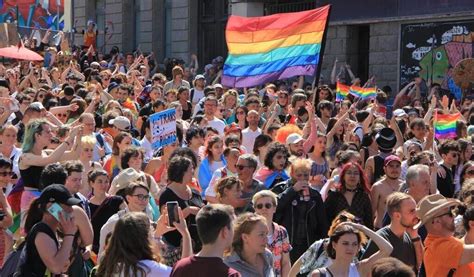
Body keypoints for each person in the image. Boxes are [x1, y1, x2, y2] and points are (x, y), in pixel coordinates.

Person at [97, 211, 190, 276]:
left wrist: (157, 235)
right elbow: (184, 273)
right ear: (143, 237)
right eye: (151, 231)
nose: (152, 233)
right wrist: (186, 234)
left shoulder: (109, 264)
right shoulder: (149, 268)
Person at [15, 184, 81, 275]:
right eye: (67, 205)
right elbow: (56, 267)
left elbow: (60, 268)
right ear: (51, 207)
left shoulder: (53, 231)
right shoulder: (41, 232)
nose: (71, 210)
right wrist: (69, 234)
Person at [271, 158, 328, 263]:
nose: (302, 178)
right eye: (299, 175)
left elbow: (322, 222)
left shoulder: (314, 195)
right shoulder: (281, 188)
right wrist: (292, 191)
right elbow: (274, 206)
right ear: (292, 174)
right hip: (287, 241)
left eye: (306, 175)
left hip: (308, 242)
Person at [171, 204, 240, 277]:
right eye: (233, 227)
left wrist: (185, 233)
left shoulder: (179, 267)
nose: (235, 231)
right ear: (225, 232)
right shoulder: (231, 275)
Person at [159, 156, 204, 265]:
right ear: (181, 172)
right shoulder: (167, 195)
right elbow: (168, 223)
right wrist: (187, 211)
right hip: (176, 249)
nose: (193, 171)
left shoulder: (195, 192)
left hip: (198, 247)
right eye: (190, 168)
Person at [361, 192, 422, 273]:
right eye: (412, 211)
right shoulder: (380, 240)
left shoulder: (411, 236)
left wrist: (415, 238)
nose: (416, 214)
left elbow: (421, 266)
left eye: (416, 209)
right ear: (397, 216)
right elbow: (363, 271)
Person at [415, 194, 474, 277]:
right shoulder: (438, 247)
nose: (454, 216)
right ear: (436, 222)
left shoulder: (443, 242)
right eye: (450, 213)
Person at [311, 222, 393, 277]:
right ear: (334, 245)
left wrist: (362, 228)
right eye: (345, 243)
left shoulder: (360, 269)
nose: (350, 248)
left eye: (354, 244)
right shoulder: (320, 274)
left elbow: (387, 249)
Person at [252, 190, 291, 277]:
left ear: (274, 208)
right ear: (255, 209)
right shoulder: (249, 232)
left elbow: (285, 262)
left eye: (268, 205)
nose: (264, 208)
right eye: (259, 206)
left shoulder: (282, 232)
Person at [324, 162, 373, 229]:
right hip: (338, 235)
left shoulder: (364, 196)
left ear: (360, 178)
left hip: (360, 236)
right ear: (343, 176)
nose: (352, 176)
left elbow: (369, 222)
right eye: (349, 173)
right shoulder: (334, 195)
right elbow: (325, 220)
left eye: (356, 173)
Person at [87, 169, 125, 254]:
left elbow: (128, 217)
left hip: (113, 246)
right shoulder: (86, 205)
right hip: (93, 249)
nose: (103, 185)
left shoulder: (117, 201)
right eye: (100, 181)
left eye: (106, 182)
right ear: (91, 183)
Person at [224, 213, 275, 277]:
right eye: (261, 235)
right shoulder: (228, 264)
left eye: (266, 234)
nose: (266, 240)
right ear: (245, 237)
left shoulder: (268, 255)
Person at [371, 155, 403, 229]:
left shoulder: (405, 186)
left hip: (400, 230)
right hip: (380, 228)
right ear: (385, 169)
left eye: (397, 166)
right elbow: (371, 212)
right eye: (391, 166)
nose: (394, 169)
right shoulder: (377, 187)